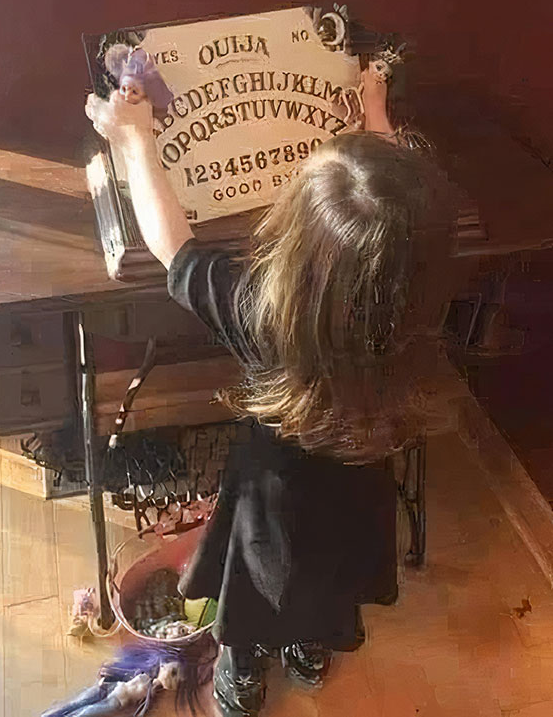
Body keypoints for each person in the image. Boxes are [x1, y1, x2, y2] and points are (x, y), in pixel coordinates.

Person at [85, 65, 455, 717]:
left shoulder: (268, 311)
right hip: (358, 499)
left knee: (254, 595)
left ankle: (245, 669)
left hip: (271, 507)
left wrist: (136, 138)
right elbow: (398, 220)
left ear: (299, 245)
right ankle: (310, 650)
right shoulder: (420, 309)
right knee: (332, 582)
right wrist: (374, 107)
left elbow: (175, 247)